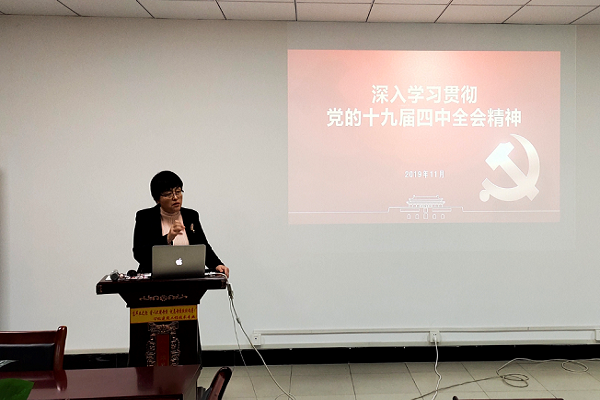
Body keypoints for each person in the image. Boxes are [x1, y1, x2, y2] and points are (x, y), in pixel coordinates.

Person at [133, 170, 229, 277]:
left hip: (188, 277)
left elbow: (203, 247)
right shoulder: (145, 217)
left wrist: (217, 265)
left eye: (178, 192)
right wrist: (167, 238)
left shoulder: (191, 216)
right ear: (157, 199)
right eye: (168, 194)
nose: (175, 197)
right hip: (155, 280)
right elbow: (139, 254)